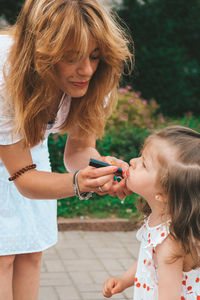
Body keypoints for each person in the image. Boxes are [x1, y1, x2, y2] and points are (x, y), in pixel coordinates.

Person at [0, 0, 133, 299]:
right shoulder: (4, 73)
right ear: (41, 54)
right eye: (71, 57)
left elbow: (79, 150)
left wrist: (101, 170)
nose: (86, 69)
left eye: (94, 56)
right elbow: (23, 179)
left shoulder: (97, 75)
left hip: (27, 149)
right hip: (15, 155)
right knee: (3, 257)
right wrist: (77, 184)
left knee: (32, 249)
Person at [103, 125, 200, 300]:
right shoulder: (160, 221)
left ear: (163, 194)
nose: (133, 161)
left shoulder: (169, 243)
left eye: (144, 164)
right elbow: (148, 260)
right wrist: (124, 280)